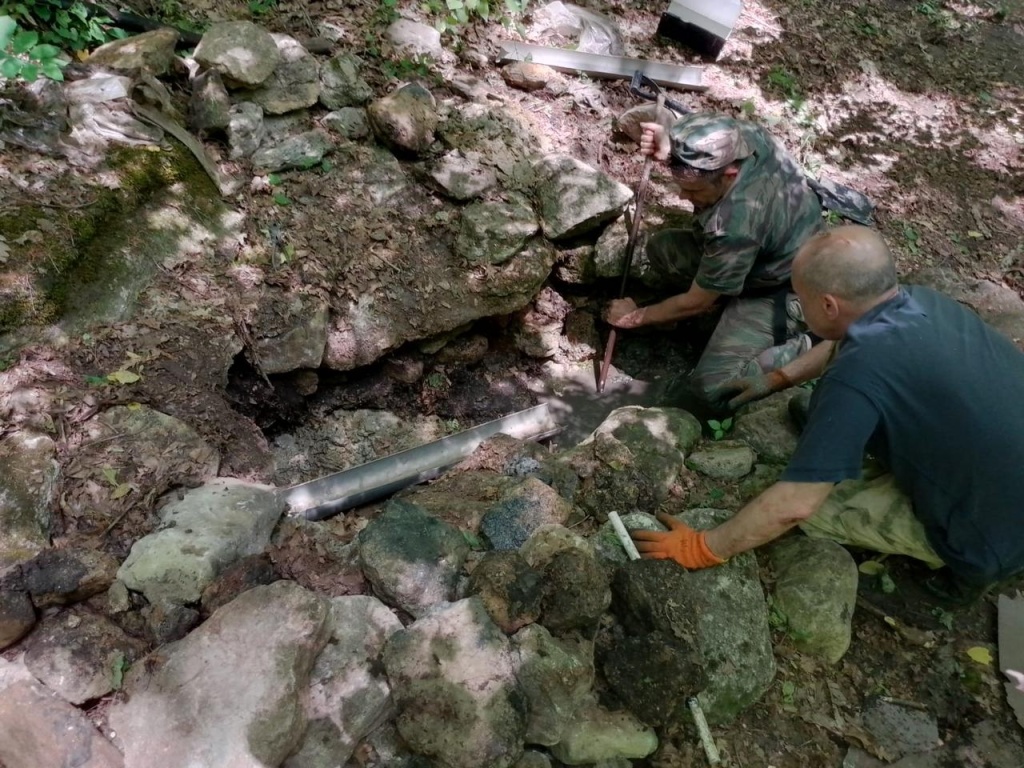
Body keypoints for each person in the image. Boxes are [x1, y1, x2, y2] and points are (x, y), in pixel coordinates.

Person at [631, 225, 1024, 605]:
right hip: (996, 453)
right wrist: (779, 378)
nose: (799, 303)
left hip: (997, 527)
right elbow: (844, 340)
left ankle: (962, 574)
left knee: (818, 514)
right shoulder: (918, 301)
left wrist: (702, 547)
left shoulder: (859, 376)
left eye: (801, 298)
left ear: (828, 305)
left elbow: (795, 504)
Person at [605, 112, 826, 409]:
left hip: (787, 288)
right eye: (680, 186)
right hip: (766, 255)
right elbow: (699, 131)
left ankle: (814, 343)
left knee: (710, 390)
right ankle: (726, 300)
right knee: (663, 251)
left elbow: (697, 302)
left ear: (729, 175)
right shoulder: (744, 137)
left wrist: (635, 317)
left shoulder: (736, 224)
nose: (683, 196)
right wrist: (669, 149)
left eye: (694, 190)